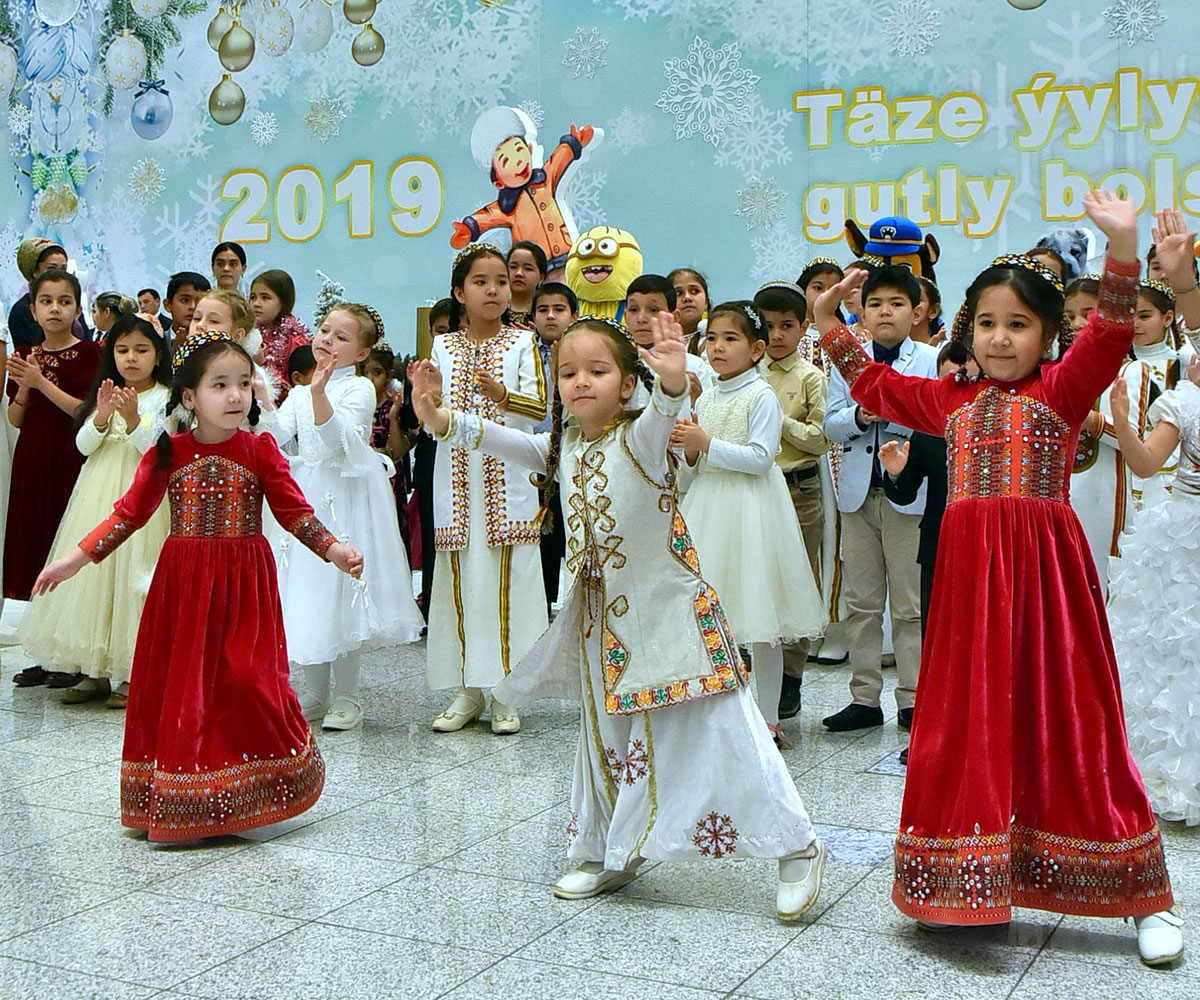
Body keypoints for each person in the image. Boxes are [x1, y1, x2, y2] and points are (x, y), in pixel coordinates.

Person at [815, 191, 1182, 967]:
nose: (1001, 337)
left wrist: (1122, 249)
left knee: (1077, 725)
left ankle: (1140, 892)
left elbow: (1112, 334)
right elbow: (874, 389)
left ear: (1049, 336)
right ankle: (965, 880)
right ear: (962, 330)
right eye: (987, 323)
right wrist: (828, 325)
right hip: (969, 589)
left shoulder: (1061, 391)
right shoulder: (949, 402)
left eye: (1019, 324)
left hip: (1047, 589)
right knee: (967, 724)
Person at [410, 312, 827, 917]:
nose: (581, 381)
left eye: (598, 370)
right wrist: (440, 420)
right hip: (600, 626)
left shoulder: (643, 437)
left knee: (724, 730)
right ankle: (611, 851)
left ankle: (797, 846)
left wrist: (675, 380)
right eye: (569, 372)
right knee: (607, 739)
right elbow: (503, 441)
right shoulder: (568, 442)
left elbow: (666, 409)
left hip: (672, 617)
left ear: (627, 383)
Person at [32, 331, 362, 842]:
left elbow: (295, 512)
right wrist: (76, 559)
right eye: (220, 385)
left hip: (245, 587)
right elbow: (128, 514)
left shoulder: (260, 451)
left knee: (248, 680)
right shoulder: (169, 453)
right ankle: (187, 797)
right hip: (182, 588)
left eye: (244, 385)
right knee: (185, 688)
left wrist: (335, 550)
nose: (236, 396)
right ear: (189, 397)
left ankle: (249, 786)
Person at [261, 305, 423, 731]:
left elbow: (341, 446)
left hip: (347, 500)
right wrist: (264, 399)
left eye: (342, 337)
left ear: (362, 351)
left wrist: (319, 395)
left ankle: (348, 696)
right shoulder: (299, 391)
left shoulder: (359, 390)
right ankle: (314, 692)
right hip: (309, 498)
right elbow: (278, 437)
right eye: (324, 331)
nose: (328, 340)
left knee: (344, 596)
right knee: (310, 591)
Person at [671, 301, 826, 745]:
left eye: (731, 338)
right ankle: (711, 711)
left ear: (757, 348)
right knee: (707, 614)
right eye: (712, 338)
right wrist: (691, 451)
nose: (718, 347)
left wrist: (708, 442)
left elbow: (761, 459)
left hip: (753, 511)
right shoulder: (704, 396)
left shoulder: (762, 396)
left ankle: (769, 717)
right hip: (709, 507)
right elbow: (692, 473)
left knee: (763, 622)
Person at [424, 244, 548, 735]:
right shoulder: (444, 347)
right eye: (481, 281)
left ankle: (506, 692)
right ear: (459, 292)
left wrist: (502, 395)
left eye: (501, 280)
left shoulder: (522, 342)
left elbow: (538, 410)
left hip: (506, 480)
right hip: (456, 482)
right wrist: (424, 397)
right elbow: (435, 413)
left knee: (508, 585)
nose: (493, 288)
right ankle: (468, 690)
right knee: (461, 584)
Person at [18, 314, 172, 707]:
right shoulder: (105, 390)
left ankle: (131, 671)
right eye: (122, 350)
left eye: (141, 350)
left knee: (132, 580)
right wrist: (101, 416)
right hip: (97, 491)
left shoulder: (166, 396)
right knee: (95, 581)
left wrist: (135, 418)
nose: (131, 359)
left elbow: (157, 452)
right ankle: (95, 668)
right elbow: (84, 445)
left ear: (158, 354)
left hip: (142, 497)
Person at [821, 264, 937, 733]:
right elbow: (829, 425)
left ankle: (913, 699)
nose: (885, 312)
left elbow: (936, 422)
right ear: (861, 312)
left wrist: (894, 408)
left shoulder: (930, 360)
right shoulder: (849, 359)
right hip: (856, 493)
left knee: (908, 606)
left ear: (917, 312)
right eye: (875, 303)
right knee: (861, 603)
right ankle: (864, 698)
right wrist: (861, 414)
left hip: (908, 494)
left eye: (896, 304)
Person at [1109, 355, 1200, 828]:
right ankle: (1176, 774)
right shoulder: (1184, 402)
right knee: (1175, 647)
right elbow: (1145, 466)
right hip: (1185, 535)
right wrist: (1122, 422)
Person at [5, 270, 103, 659]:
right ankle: (40, 652)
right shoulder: (27, 356)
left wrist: (41, 382)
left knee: (65, 543)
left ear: (78, 308)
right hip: (32, 459)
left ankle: (69, 655)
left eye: (64, 301)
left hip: (72, 460)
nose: (55, 309)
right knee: (34, 543)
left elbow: (86, 411)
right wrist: (27, 383)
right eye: (46, 301)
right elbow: (15, 419)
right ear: (32, 309)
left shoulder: (93, 354)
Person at [755, 280, 829, 720]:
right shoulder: (747, 373)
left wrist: (776, 420)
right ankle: (754, 670)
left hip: (799, 487)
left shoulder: (812, 378)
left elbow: (820, 440)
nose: (778, 335)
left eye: (787, 325)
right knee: (755, 578)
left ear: (804, 327)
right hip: (755, 486)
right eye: (769, 326)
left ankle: (792, 676)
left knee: (798, 581)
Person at [1063, 275, 1154, 583]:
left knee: (1101, 581)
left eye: (1087, 313)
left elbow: (1135, 439)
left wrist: (1090, 420)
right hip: (1059, 496)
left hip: (1106, 494)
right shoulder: (1055, 371)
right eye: (1069, 315)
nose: (1076, 323)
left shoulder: (1131, 370)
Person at [530, 281, 578, 614]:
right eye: (543, 310)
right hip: (535, 453)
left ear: (574, 315)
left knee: (572, 528)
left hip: (573, 450)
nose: (550, 316)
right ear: (532, 317)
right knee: (542, 533)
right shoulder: (523, 350)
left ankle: (577, 603)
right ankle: (542, 603)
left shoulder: (585, 348)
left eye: (559, 309)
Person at [625, 274, 712, 407]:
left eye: (653, 310)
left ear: (674, 317)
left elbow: (709, 419)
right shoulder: (615, 365)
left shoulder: (694, 366)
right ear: (625, 316)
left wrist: (696, 401)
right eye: (633, 310)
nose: (641, 318)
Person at [7, 239, 86, 347]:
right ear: (35, 271)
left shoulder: (71, 302)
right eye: (51, 269)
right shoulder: (21, 311)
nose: (58, 274)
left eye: (63, 269)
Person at [250, 268, 312, 402]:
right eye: (253, 297)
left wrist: (262, 364)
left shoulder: (295, 340)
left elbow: (299, 390)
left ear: (283, 302)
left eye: (265, 297)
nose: (256, 304)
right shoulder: (247, 335)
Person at [667, 266, 711, 355]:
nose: (687, 297)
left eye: (694, 291)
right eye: (678, 293)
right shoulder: (656, 345)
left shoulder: (716, 340)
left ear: (706, 302)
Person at [162, 271, 211, 346]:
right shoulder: (156, 341)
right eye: (185, 300)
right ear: (168, 305)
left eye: (200, 301)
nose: (193, 307)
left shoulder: (215, 343)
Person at [507, 240, 547, 327]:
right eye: (513, 267)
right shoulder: (495, 309)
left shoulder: (547, 313)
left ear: (541, 278)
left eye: (528, 268)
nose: (519, 273)